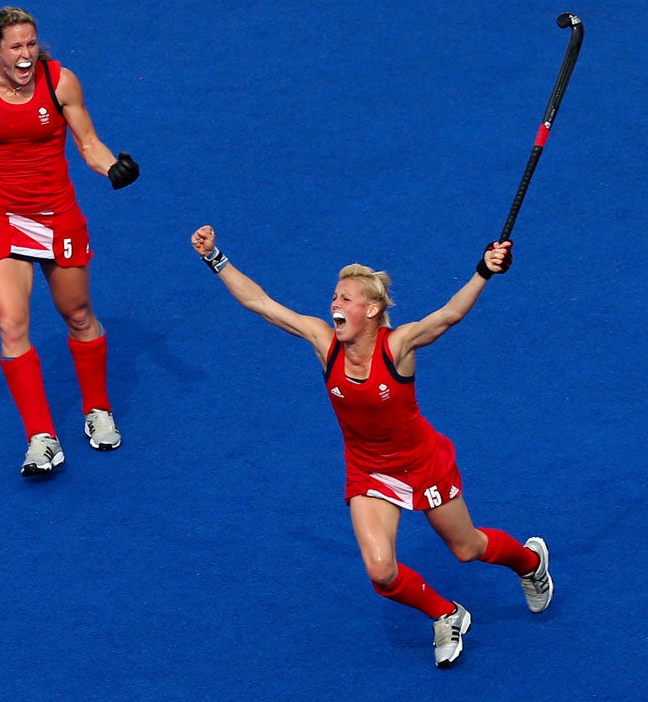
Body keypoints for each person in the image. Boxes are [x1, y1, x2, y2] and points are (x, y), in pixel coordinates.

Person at [189, 225, 551, 667]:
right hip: (368, 470)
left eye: (344, 298)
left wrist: (484, 269)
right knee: (381, 572)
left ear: (373, 308)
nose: (333, 304)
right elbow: (259, 302)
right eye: (334, 297)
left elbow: (448, 315)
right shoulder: (324, 343)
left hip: (422, 465)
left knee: (467, 549)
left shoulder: (397, 347)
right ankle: (446, 615)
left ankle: (530, 562)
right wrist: (215, 257)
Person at [0, 6, 140, 478]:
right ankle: (41, 437)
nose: (25, 55)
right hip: (2, 219)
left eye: (31, 44)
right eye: (15, 46)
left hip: (58, 217)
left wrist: (112, 169)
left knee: (78, 315)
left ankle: (97, 408)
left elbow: (88, 143)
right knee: (11, 326)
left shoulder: (60, 82)